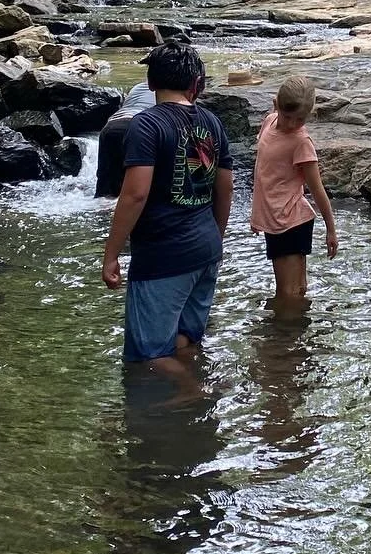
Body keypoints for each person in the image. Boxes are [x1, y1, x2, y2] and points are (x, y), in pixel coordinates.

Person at [101, 42, 234, 368]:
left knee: (149, 357)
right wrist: (215, 236)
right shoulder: (212, 122)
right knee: (185, 339)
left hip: (163, 256)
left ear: (150, 82)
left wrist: (111, 254)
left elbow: (135, 195)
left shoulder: (146, 125)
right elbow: (225, 186)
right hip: (205, 250)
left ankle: (197, 394)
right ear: (195, 83)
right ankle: (191, 409)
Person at [250, 73, 339, 301]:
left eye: (300, 119)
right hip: (276, 220)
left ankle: (284, 336)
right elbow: (265, 174)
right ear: (276, 104)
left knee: (287, 294)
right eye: (287, 116)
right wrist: (257, 216)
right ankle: (298, 335)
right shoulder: (269, 122)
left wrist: (331, 229)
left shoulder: (301, 142)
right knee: (296, 291)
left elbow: (317, 189)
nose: (292, 124)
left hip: (290, 222)